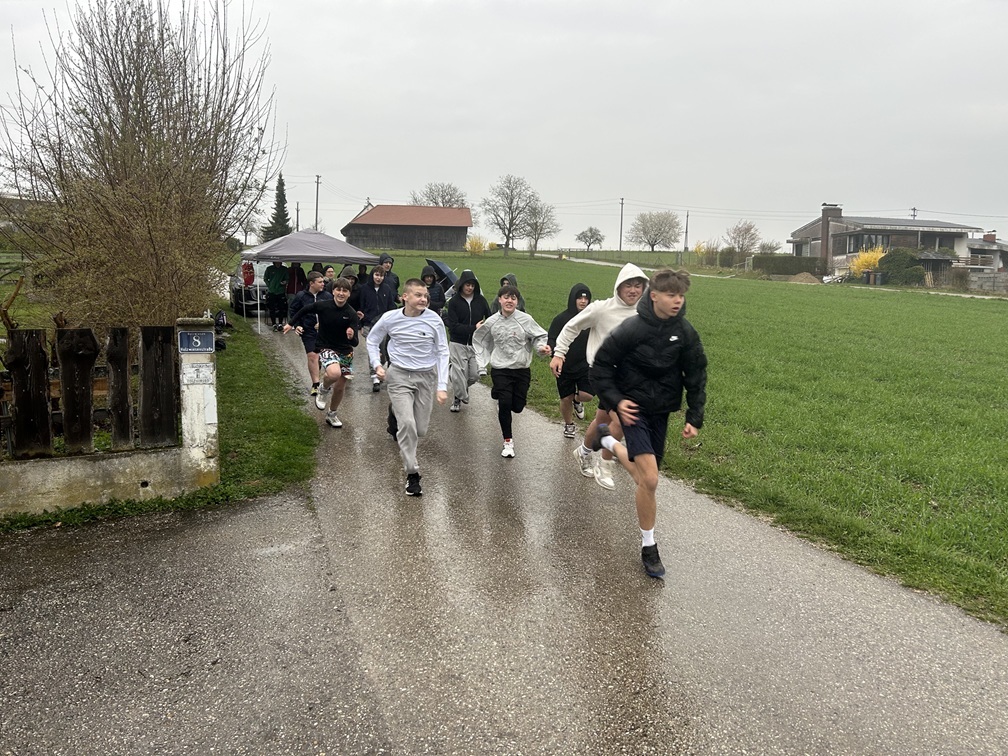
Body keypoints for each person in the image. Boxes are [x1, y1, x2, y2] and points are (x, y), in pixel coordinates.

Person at [589, 268, 707, 579]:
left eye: (681, 295)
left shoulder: (685, 333)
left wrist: (694, 416)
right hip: (633, 411)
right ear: (653, 295)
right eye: (671, 295)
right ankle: (649, 546)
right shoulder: (632, 328)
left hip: (661, 411)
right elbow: (601, 366)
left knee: (645, 479)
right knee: (651, 480)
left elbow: (696, 375)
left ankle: (607, 442)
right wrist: (616, 401)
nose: (677, 301)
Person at [550, 263, 648, 490]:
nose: (633, 290)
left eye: (638, 285)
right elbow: (571, 326)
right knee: (624, 419)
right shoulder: (601, 309)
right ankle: (604, 464)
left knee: (603, 420)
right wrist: (559, 353)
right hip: (602, 373)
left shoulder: (645, 313)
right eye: (628, 285)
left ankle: (583, 452)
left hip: (628, 378)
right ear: (619, 287)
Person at [366, 278, 450, 497]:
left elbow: (443, 352)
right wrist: (377, 364)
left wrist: (442, 386)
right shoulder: (390, 318)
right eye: (418, 295)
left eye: (426, 296)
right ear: (405, 297)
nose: (424, 299)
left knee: (420, 429)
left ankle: (394, 413)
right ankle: (412, 474)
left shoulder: (434, 320)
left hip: (425, 376)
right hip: (399, 375)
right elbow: (372, 340)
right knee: (408, 425)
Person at [473, 283, 551, 458]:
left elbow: (539, 336)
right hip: (500, 368)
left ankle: (498, 392)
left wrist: (541, 348)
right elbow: (479, 341)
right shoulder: (492, 322)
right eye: (506, 297)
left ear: (517, 301)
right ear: (500, 300)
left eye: (513, 298)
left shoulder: (526, 319)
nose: (509, 301)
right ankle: (508, 441)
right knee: (505, 404)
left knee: (517, 407)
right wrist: (482, 364)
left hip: (521, 369)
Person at [283, 277, 360, 428]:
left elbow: (355, 343)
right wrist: (291, 324)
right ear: (333, 291)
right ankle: (323, 389)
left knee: (339, 387)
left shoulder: (351, 314)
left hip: (345, 351)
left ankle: (332, 414)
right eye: (338, 290)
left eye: (345, 291)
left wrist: (351, 336)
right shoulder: (323, 306)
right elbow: (304, 310)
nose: (341, 293)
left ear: (349, 294)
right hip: (326, 346)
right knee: (333, 373)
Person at [547, 283, 593, 438]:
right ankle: (569, 425)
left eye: (586, 298)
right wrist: (553, 353)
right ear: (573, 299)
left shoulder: (592, 319)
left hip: (585, 364)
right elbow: (552, 339)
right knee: (565, 398)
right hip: (565, 365)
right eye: (579, 297)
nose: (582, 301)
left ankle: (577, 400)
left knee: (588, 395)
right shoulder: (561, 319)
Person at [444, 269, 492, 413]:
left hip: (475, 344)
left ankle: (458, 384)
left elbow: (489, 318)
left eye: (472, 285)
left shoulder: (481, 301)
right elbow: (453, 327)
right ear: (461, 285)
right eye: (467, 285)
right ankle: (458, 399)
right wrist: (474, 328)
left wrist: (487, 329)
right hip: (457, 343)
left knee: (474, 375)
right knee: (460, 373)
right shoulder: (454, 302)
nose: (470, 287)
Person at [287, 271, 331, 395]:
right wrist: (297, 325)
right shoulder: (301, 296)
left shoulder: (327, 296)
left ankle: (323, 377)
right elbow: (294, 310)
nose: (323, 284)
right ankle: (315, 384)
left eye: (323, 281)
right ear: (311, 283)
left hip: (324, 332)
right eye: (320, 282)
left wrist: (323, 323)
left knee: (322, 357)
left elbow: (332, 312)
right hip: (308, 331)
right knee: (312, 356)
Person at [358, 266, 397, 392]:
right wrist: (360, 324)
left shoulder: (387, 289)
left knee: (383, 350)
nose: (378, 278)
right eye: (376, 275)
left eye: (381, 275)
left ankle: (381, 365)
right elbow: (360, 307)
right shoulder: (364, 289)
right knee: (372, 348)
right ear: (372, 275)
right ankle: (375, 377)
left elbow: (391, 306)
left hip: (383, 324)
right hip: (369, 324)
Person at [263, 260, 289, 331]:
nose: (278, 263)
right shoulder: (269, 269)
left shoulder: (284, 269)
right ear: (274, 263)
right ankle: (274, 324)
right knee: (272, 308)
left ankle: (280, 323)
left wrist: (284, 282)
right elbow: (265, 278)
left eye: (279, 262)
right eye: (277, 262)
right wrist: (270, 285)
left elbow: (287, 279)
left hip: (281, 291)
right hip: (272, 291)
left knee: (281, 308)